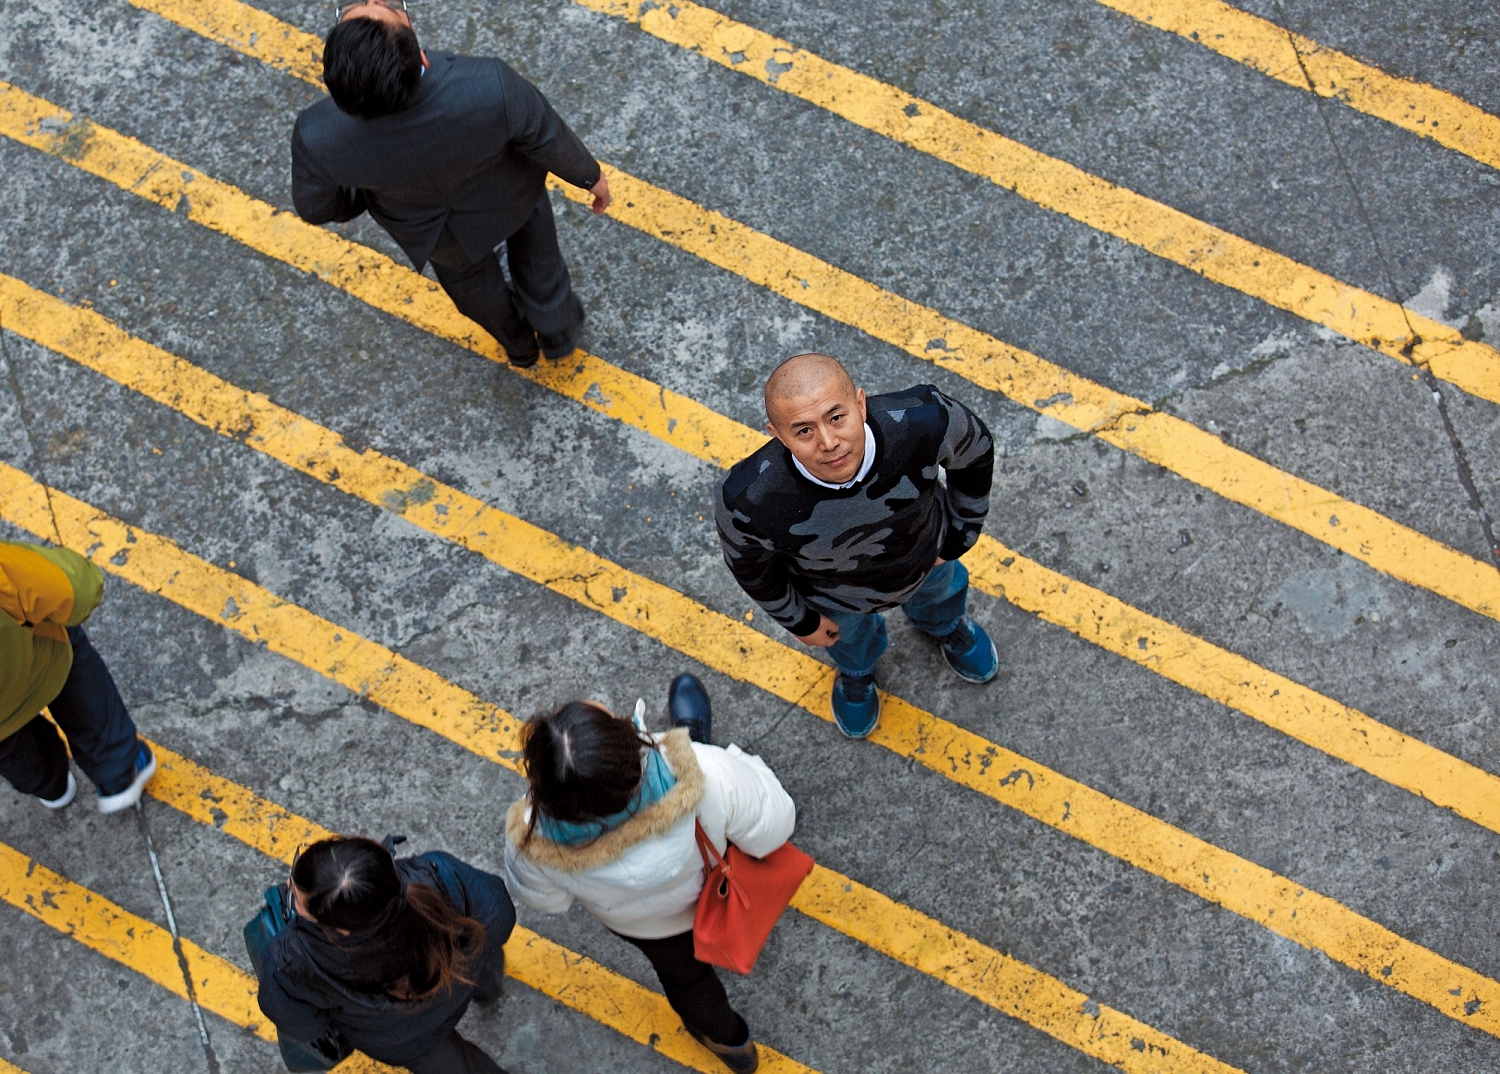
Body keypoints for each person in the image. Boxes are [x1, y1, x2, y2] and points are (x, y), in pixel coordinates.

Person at [291, 0, 612, 368]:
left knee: (472, 285)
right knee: (538, 252)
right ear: (422, 59)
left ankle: (519, 346)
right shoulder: (488, 84)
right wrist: (591, 177)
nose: (375, 0)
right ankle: (557, 329)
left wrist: (365, 191)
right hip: (510, 194)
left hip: (437, 233)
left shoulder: (317, 135)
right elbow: (546, 135)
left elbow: (316, 207)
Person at [503, 676, 793, 1074]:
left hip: (646, 927)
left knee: (687, 981)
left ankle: (733, 1047)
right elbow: (774, 825)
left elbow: (546, 899)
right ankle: (693, 734)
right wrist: (727, 761)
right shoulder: (706, 774)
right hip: (714, 883)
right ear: (627, 745)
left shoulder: (532, 841)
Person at [714, 353, 998, 739]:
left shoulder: (927, 418)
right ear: (777, 435)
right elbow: (751, 568)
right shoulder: (747, 499)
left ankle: (946, 625)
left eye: (836, 417)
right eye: (803, 431)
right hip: (832, 596)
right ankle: (858, 671)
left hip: (927, 557)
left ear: (861, 404)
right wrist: (801, 621)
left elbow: (975, 454)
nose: (829, 443)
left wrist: (957, 537)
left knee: (942, 594)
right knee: (849, 642)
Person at [256, 835, 515, 1074]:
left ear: (343, 929)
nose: (288, 885)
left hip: (406, 1039)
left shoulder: (292, 963)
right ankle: (489, 991)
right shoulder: (439, 874)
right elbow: (499, 916)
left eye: (297, 902)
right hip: (463, 983)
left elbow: (303, 1027)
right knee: (482, 962)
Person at [0, 539, 156, 813]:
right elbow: (79, 590)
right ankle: (119, 773)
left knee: (8, 744)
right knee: (67, 651)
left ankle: (51, 787)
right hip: (32, 663)